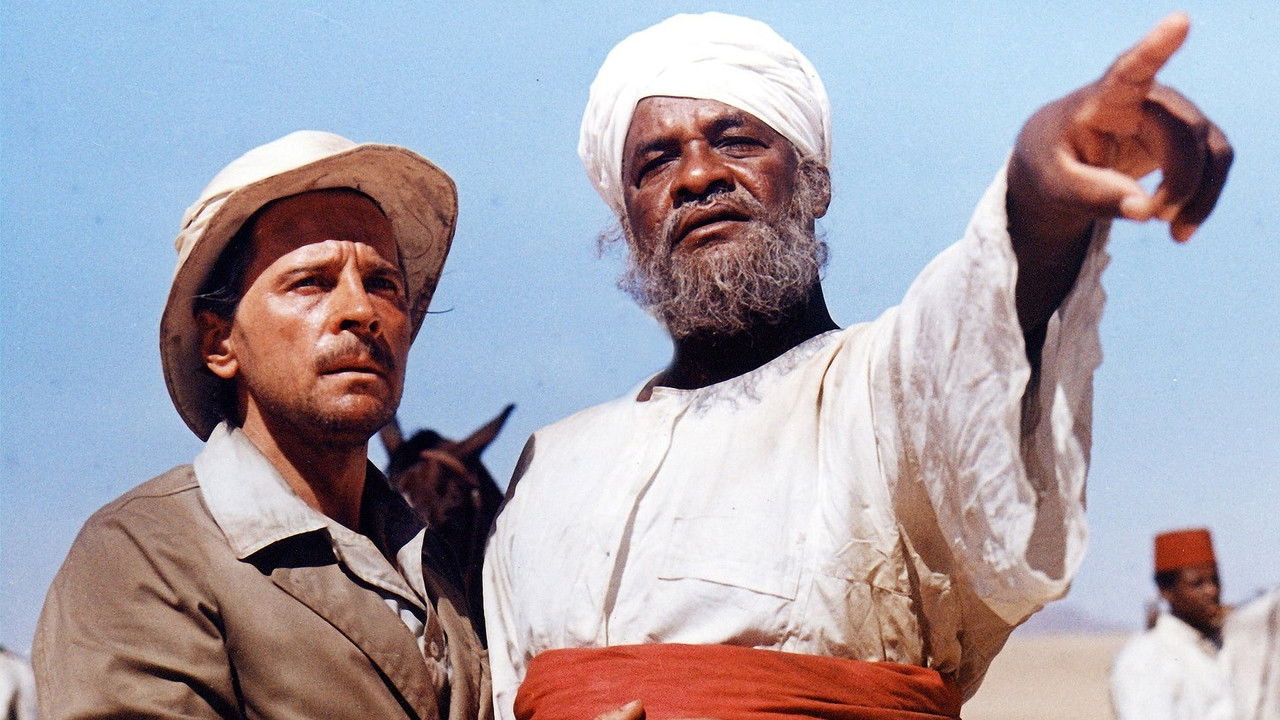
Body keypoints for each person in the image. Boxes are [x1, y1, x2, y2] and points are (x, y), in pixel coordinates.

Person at [484, 11, 1231, 720]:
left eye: (735, 141)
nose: (698, 175)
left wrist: (1046, 185)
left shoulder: (879, 395)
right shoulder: (551, 467)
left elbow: (980, 322)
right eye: (656, 161)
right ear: (628, 223)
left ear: (814, 183)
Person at [34, 131, 492, 720]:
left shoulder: (432, 569)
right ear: (219, 342)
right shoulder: (143, 558)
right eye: (311, 282)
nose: (362, 311)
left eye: (383, 284)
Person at [1111, 528, 1232, 720]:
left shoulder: (1224, 648)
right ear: (1165, 591)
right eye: (1197, 584)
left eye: (1215, 580)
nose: (1211, 590)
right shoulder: (1146, 656)